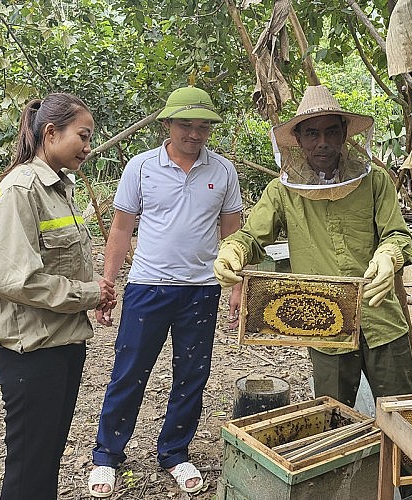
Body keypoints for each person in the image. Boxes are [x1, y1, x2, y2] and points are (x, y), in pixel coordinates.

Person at [213, 84, 412, 409]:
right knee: (335, 418)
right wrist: (233, 249)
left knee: (404, 418)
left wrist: (390, 253)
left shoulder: (375, 180)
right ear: (299, 140)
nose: (322, 143)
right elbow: (251, 237)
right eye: (312, 134)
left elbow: (399, 235)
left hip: (382, 321)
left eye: (331, 132)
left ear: (344, 134)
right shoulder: (282, 192)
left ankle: (401, 464)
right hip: (323, 326)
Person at [88, 86, 243, 497]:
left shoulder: (223, 171)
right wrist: (109, 284)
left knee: (192, 375)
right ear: (167, 125)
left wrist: (237, 286)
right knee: (129, 372)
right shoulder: (141, 168)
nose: (194, 134)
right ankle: (107, 456)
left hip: (201, 289)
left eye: (203, 127)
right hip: (147, 287)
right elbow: (122, 229)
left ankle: (175, 452)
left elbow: (232, 233)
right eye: (185, 126)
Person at [0, 93, 116, 500]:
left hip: (62, 342)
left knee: (46, 454)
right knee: (29, 464)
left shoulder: (58, 188)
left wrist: (94, 289)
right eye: (83, 136)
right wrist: (88, 293)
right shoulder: (20, 190)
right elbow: (13, 278)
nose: (88, 147)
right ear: (51, 133)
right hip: (30, 354)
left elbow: (60, 260)